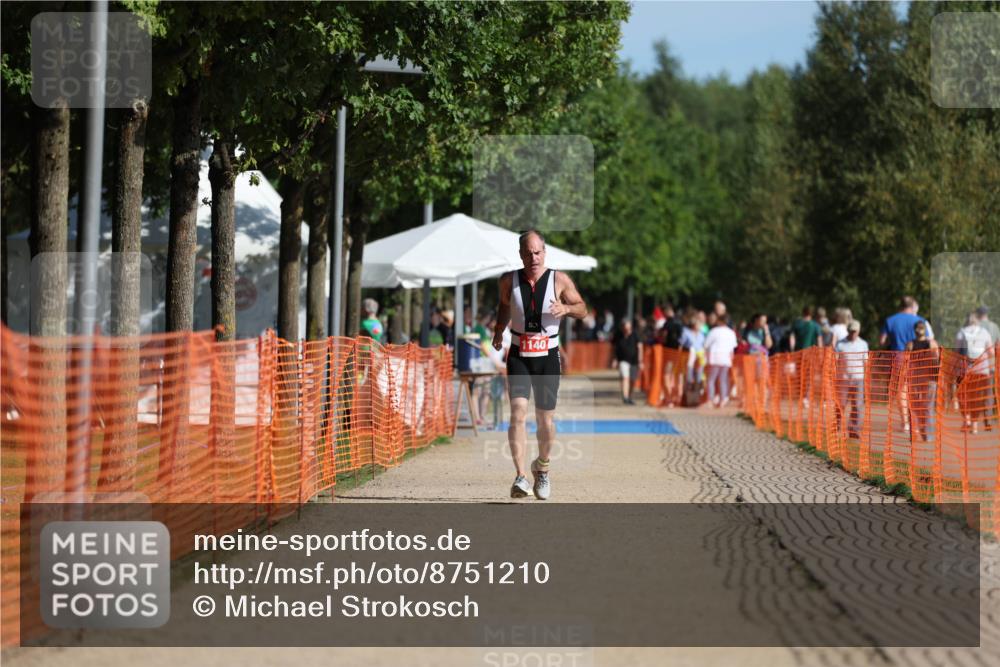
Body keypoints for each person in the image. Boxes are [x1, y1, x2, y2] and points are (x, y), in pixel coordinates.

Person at [492, 230, 587, 500]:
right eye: (528, 253)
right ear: (520, 255)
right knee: (518, 413)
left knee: (545, 419)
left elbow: (583, 308)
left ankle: (542, 468)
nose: (533, 257)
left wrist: (567, 309)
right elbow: (503, 305)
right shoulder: (508, 280)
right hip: (519, 354)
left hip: (547, 356)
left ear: (544, 252)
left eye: (538, 252)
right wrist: (499, 330)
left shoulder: (559, 279)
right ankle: (520, 476)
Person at [956, 311, 995, 434]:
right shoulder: (984, 333)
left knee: (963, 396)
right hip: (982, 370)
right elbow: (991, 352)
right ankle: (974, 425)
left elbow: (957, 352)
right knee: (976, 397)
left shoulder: (962, 332)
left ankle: (966, 419)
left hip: (965, 370)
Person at [905, 320, 940, 442]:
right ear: (915, 330)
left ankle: (927, 434)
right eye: (918, 328)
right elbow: (906, 362)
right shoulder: (910, 344)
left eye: (921, 328)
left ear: (925, 329)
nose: (919, 330)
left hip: (929, 379)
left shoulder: (931, 343)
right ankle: (918, 429)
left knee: (927, 406)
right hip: (914, 378)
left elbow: (937, 360)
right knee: (915, 406)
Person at [834, 320, 869, 439]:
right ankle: (837, 425)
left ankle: (854, 430)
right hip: (843, 379)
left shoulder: (863, 344)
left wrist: (867, 377)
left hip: (858, 378)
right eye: (851, 331)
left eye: (855, 331)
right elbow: (835, 360)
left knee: (857, 405)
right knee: (841, 404)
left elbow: (866, 362)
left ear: (858, 331)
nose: (853, 333)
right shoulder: (840, 344)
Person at [704, 319, 738, 408]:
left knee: (711, 379)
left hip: (715, 357)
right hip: (726, 358)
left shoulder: (714, 331)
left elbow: (706, 344)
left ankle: (710, 399)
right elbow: (733, 348)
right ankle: (723, 399)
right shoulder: (731, 332)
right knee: (723, 379)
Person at [612, 319, 642, 405]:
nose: (627, 331)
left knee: (632, 380)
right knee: (625, 377)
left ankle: (629, 397)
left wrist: (640, 361)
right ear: (622, 328)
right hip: (622, 360)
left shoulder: (635, 334)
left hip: (634, 361)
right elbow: (614, 348)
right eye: (625, 329)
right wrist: (614, 359)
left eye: (628, 329)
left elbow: (640, 347)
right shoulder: (618, 335)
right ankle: (625, 397)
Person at [661, 304, 685, 407]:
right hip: (680, 352)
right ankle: (677, 397)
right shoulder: (680, 323)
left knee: (667, 375)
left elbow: (664, 336)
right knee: (677, 376)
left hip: (669, 351)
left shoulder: (667, 323)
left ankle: (669, 397)